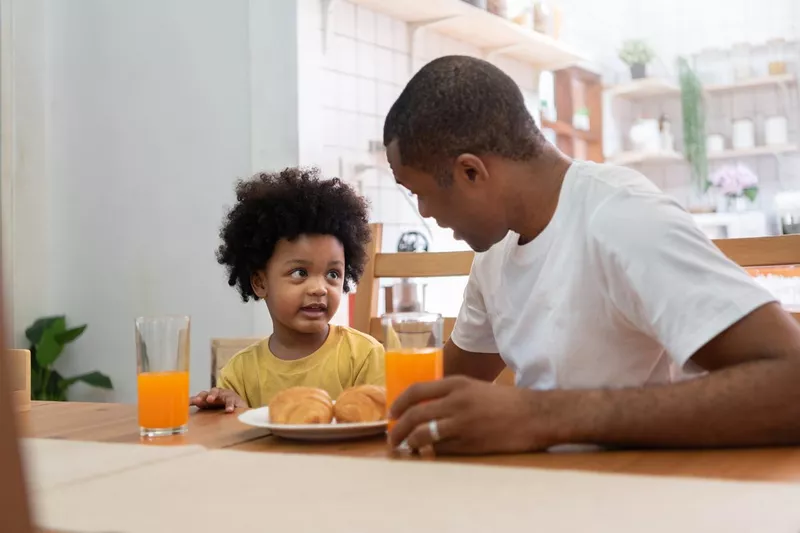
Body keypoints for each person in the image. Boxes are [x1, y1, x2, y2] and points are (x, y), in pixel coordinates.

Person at [382, 55, 800, 455]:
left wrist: (541, 417)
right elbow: (433, 394)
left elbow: (791, 385)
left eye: (420, 192)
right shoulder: (495, 257)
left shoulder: (625, 218)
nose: (425, 212)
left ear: (471, 172)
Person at [190, 168, 385, 412]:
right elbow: (236, 441)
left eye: (332, 274)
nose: (319, 288)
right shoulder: (239, 374)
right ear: (260, 282)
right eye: (300, 273)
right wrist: (231, 411)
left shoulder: (364, 357)